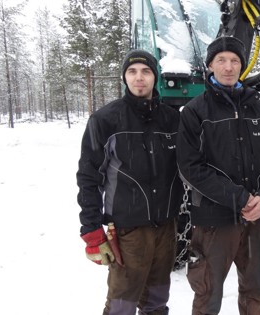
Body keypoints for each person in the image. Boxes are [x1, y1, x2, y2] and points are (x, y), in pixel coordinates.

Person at [176, 36, 260, 315]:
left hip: (253, 220)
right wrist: (239, 197)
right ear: (210, 65)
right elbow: (191, 167)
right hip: (213, 222)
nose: (228, 67)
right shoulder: (195, 111)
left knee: (255, 292)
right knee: (208, 294)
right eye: (221, 60)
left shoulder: (258, 109)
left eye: (234, 60)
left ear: (242, 66)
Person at [76, 49, 183, 315]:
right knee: (121, 304)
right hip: (127, 231)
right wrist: (91, 229)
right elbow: (89, 177)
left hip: (166, 228)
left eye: (146, 71)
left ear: (155, 77)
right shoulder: (105, 120)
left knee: (157, 301)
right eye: (132, 72)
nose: (139, 78)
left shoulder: (173, 119)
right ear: (124, 77)